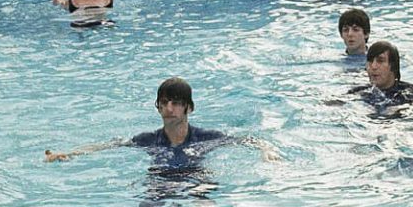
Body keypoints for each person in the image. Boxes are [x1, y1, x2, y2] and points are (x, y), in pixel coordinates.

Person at [45, 77, 278, 164]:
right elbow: (109, 145)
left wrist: (266, 151)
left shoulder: (205, 137)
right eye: (164, 102)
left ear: (189, 107)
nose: (169, 108)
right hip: (160, 180)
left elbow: (248, 140)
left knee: (203, 206)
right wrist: (69, 152)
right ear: (157, 107)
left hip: (196, 178)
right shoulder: (149, 140)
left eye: (176, 103)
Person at [348, 41, 413, 114]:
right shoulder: (358, 92)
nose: (373, 66)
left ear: (393, 67)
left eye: (380, 61)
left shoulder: (411, 93)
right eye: (370, 61)